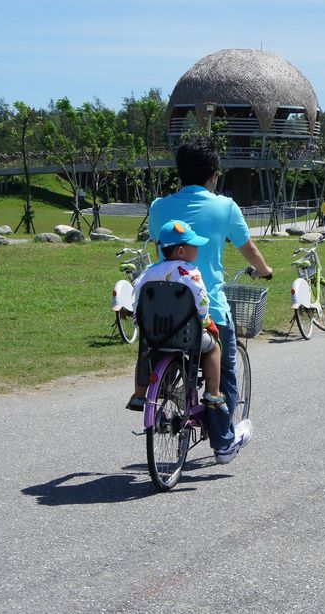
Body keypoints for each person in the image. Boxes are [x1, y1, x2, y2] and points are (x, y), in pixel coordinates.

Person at [148, 137, 273, 465]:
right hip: (209, 310)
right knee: (226, 370)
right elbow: (249, 248)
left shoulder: (159, 206)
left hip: (164, 310)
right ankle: (223, 443)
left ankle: (163, 390)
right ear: (214, 175)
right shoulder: (225, 207)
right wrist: (265, 270)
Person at [126, 220, 229, 414]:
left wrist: (140, 323)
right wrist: (205, 320)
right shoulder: (190, 273)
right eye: (194, 245)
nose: (197, 249)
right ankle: (213, 393)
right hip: (187, 336)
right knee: (214, 346)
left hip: (154, 335)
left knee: (145, 354)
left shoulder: (149, 272)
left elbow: (137, 301)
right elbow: (202, 302)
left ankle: (139, 396)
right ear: (181, 251)